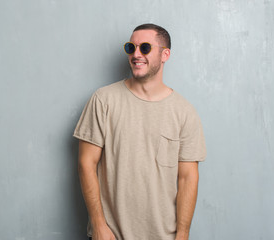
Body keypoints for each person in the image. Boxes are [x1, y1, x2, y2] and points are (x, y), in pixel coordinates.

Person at [73, 23, 207, 240]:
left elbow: (188, 178)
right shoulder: (103, 100)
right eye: (130, 48)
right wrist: (98, 225)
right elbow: (86, 164)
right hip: (111, 236)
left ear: (165, 55)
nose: (136, 54)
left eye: (145, 48)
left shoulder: (184, 112)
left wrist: (183, 234)